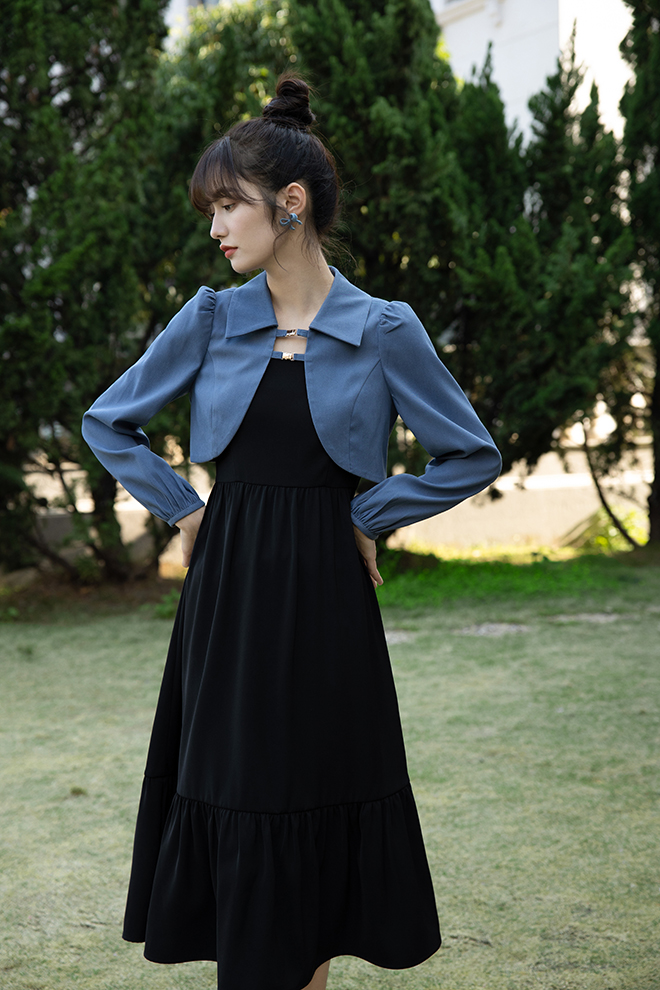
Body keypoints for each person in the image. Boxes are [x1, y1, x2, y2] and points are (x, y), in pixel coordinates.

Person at [82, 74, 502, 990]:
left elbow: (471, 453)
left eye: (229, 205)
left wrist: (369, 513)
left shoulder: (384, 329)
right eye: (212, 210)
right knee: (237, 792)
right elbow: (106, 422)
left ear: (292, 203)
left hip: (326, 602)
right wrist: (187, 507)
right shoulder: (209, 318)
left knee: (313, 801)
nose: (216, 228)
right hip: (227, 596)